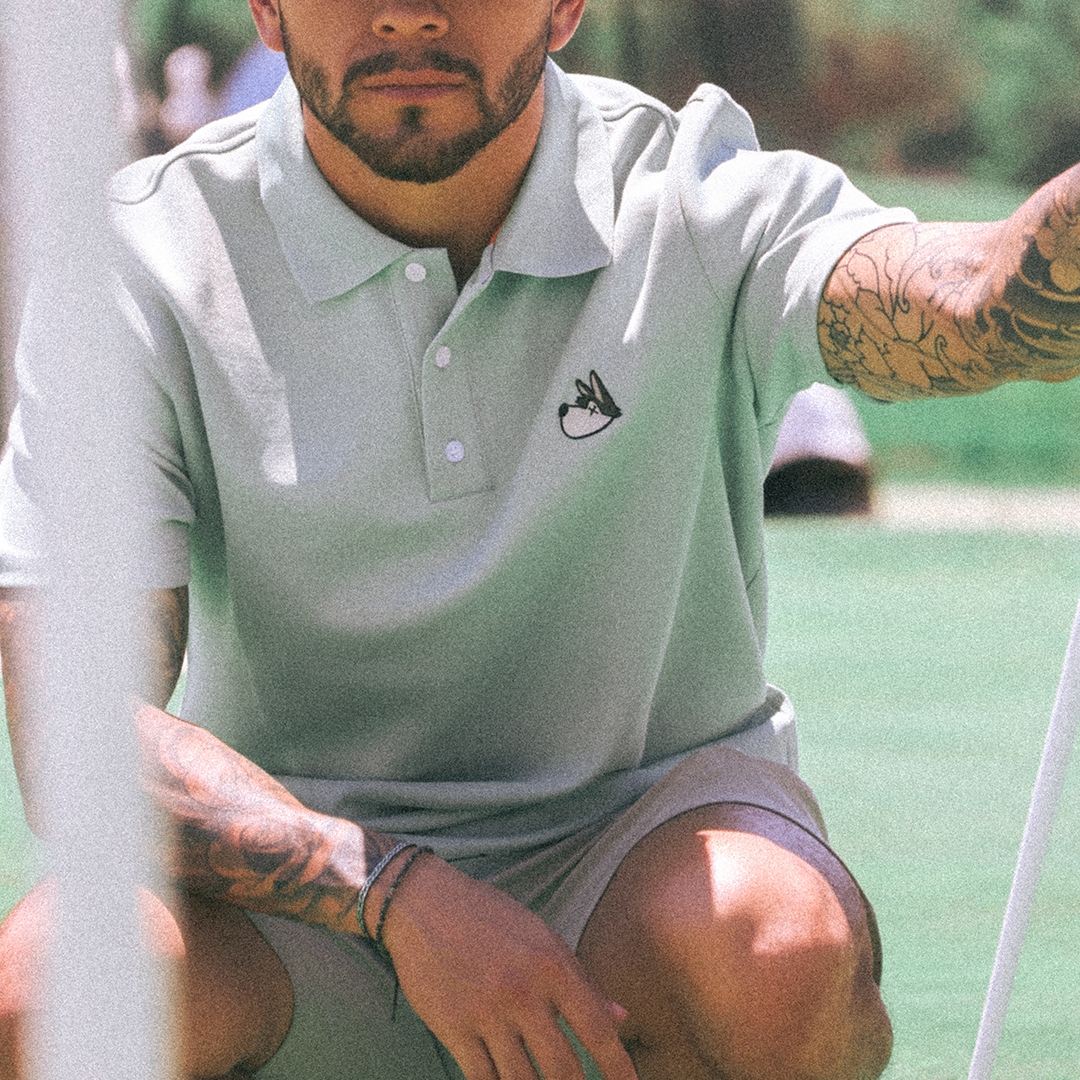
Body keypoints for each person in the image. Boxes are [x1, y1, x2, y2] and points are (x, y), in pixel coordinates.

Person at [1, 2, 1078, 1078]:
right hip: (299, 909)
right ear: (267, 8)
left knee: (778, 948)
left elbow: (975, 300)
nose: (408, 12)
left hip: (629, 874)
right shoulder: (131, 260)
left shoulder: (698, 194)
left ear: (565, 5)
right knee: (46, 994)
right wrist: (397, 896)